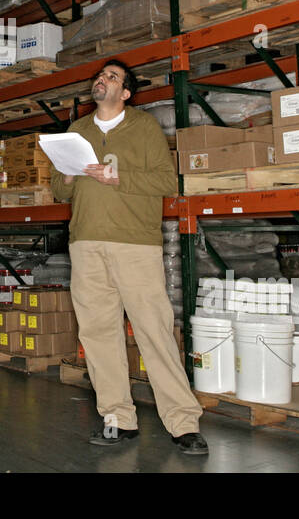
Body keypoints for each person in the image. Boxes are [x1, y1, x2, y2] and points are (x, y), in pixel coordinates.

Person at [51, 59, 208, 454]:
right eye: (100, 75)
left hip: (135, 244)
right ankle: (117, 419)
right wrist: (69, 172)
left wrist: (117, 178)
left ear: (125, 93)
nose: (102, 80)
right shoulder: (77, 130)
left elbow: (165, 181)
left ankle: (183, 423)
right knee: (98, 334)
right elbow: (60, 191)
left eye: (112, 77)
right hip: (86, 244)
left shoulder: (143, 127)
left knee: (154, 330)